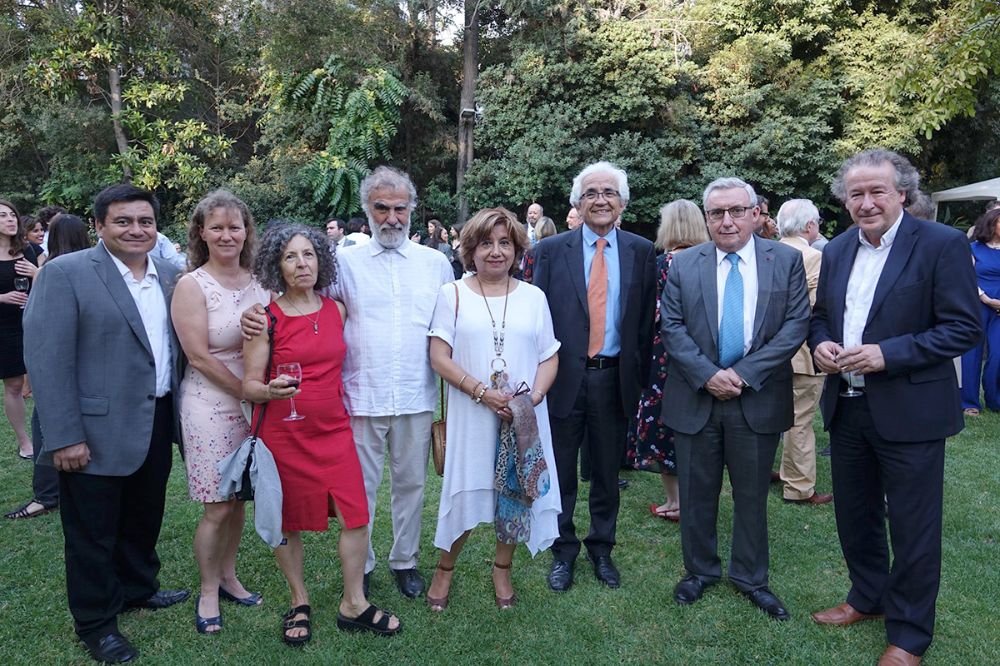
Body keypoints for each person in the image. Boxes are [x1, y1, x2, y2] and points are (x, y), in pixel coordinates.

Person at [241, 166, 454, 600]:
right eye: (382, 208)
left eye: (400, 208)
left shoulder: (436, 264)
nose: (392, 217)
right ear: (367, 210)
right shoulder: (343, 262)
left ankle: (405, 560)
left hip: (416, 394)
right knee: (362, 490)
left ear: (412, 209)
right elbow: (305, 303)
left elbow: (449, 326)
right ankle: (367, 564)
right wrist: (255, 312)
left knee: (412, 484)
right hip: (359, 396)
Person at [809, 149, 981, 666]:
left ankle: (908, 635)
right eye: (855, 194)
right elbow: (821, 317)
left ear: (902, 192)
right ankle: (867, 597)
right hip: (848, 405)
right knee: (855, 516)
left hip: (910, 410)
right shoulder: (837, 249)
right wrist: (820, 344)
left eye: (876, 191)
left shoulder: (941, 244)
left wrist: (890, 353)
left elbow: (963, 327)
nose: (865, 203)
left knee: (912, 526)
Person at [24, 184, 189, 664]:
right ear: (98, 226)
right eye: (123, 221)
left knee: (144, 513)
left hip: (157, 417)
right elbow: (47, 359)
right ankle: (97, 622)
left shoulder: (172, 276)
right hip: (91, 429)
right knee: (91, 532)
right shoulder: (65, 274)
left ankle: (138, 586)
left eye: (145, 221)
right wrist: (64, 435)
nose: (136, 230)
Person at [243, 223, 401, 645]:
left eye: (309, 254)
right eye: (291, 257)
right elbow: (248, 385)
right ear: (277, 265)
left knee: (357, 515)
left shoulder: (337, 310)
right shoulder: (265, 319)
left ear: (321, 260)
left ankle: (354, 602)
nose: (301, 264)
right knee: (287, 520)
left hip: (334, 432)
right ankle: (299, 600)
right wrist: (269, 390)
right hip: (285, 436)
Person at [661, 177, 810, 620]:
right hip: (696, 398)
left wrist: (742, 375)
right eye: (716, 213)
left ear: (756, 213)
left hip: (757, 398)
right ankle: (699, 571)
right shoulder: (684, 264)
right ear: (706, 218)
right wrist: (708, 375)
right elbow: (671, 326)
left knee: (751, 496)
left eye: (736, 211)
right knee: (696, 491)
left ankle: (750, 577)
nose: (727, 221)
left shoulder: (785, 260)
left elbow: (795, 325)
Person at [425, 207, 561, 611]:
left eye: (505, 243)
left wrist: (531, 399)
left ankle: (502, 569)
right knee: (466, 489)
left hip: (521, 416)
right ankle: (444, 569)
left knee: (514, 492)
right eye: (486, 243)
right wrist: (482, 393)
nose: (496, 252)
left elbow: (549, 356)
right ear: (471, 249)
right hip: (473, 413)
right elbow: (439, 356)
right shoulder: (451, 294)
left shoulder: (534, 297)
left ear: (517, 249)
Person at [530, 161, 657, 592]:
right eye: (590, 194)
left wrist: (638, 378)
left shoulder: (642, 251)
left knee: (605, 472)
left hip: (614, 378)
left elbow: (644, 324)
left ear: (621, 202)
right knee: (561, 470)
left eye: (608, 193)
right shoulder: (550, 251)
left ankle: (601, 549)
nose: (600, 200)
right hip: (562, 379)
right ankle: (562, 551)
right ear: (577, 203)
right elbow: (538, 319)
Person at [172, 190, 269, 634]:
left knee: (239, 500)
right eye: (217, 227)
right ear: (201, 233)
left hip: (255, 404)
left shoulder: (260, 279)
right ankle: (208, 588)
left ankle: (229, 576)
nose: (227, 234)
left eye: (235, 226)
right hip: (210, 405)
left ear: (246, 231)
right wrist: (247, 392)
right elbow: (199, 357)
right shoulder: (192, 285)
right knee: (216, 505)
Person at [627, 199, 709, 523]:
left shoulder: (661, 264)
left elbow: (648, 315)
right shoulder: (709, 262)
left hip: (662, 356)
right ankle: (696, 498)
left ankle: (674, 501)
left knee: (663, 426)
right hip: (703, 357)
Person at [4, 214, 91, 520]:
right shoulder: (96, 269)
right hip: (90, 368)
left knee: (45, 425)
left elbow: (43, 328)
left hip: (59, 366)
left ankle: (46, 494)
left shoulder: (52, 271)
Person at [774, 199, 833, 505]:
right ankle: (798, 487)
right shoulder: (814, 257)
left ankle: (782, 473)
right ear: (810, 226)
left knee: (773, 416)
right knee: (800, 421)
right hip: (802, 354)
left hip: (766, 355)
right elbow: (815, 309)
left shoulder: (766, 252)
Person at [0, 199, 40, 459]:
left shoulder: (27, 250)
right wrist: (2, 298)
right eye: (3, 216)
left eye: (12, 215)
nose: (10, 220)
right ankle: (25, 442)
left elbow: (46, 285)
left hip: (31, 321)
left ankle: (50, 433)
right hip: (3, 327)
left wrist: (36, 272)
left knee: (43, 380)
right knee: (14, 384)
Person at [959, 207, 1000, 415]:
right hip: (977, 304)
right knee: (971, 354)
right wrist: (986, 298)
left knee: (998, 355)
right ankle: (969, 402)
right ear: (991, 224)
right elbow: (967, 278)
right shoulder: (973, 248)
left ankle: (995, 399)